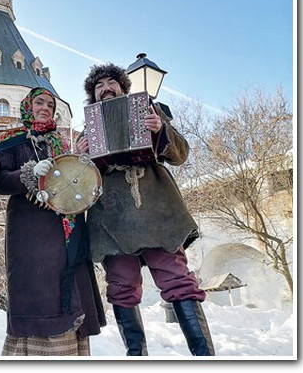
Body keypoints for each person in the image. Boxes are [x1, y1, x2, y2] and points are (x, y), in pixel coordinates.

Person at [79, 63, 215, 356]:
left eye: (110, 83)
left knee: (178, 280)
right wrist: (81, 156)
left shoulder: (150, 111)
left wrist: (161, 129)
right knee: (121, 287)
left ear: (122, 87)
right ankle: (136, 357)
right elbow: (80, 179)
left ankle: (204, 357)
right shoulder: (86, 128)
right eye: (98, 85)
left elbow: (180, 154)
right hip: (111, 216)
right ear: (93, 94)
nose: (105, 88)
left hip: (155, 208)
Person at [0, 87, 106, 356]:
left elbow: (74, 181)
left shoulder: (62, 145)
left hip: (67, 228)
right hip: (31, 232)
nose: (45, 108)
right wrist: (29, 174)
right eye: (39, 102)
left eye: (50, 105)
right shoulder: (11, 141)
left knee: (69, 284)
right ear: (27, 106)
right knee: (40, 291)